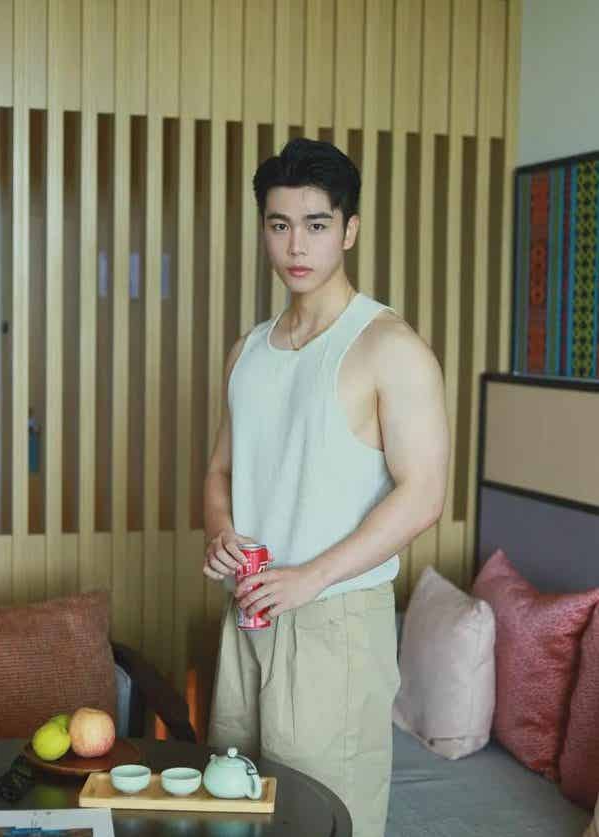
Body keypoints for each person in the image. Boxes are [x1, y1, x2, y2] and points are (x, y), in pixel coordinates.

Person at [202, 137, 449, 837]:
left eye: (316, 224)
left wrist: (309, 577)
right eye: (279, 224)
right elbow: (220, 470)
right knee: (232, 807)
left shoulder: (389, 347)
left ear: (349, 230)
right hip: (249, 610)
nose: (296, 245)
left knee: (324, 820)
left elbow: (424, 493)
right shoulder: (248, 350)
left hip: (335, 621)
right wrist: (220, 530)